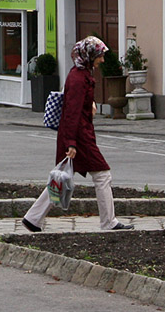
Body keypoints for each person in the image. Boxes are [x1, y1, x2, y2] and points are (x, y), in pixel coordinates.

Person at [22, 36, 133, 232]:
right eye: (100, 56)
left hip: (77, 135)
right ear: (89, 55)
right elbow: (71, 113)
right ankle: (109, 222)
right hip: (80, 137)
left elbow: (73, 106)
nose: (102, 60)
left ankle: (33, 218)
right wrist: (71, 143)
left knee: (63, 175)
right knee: (102, 175)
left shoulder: (79, 74)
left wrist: (88, 105)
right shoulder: (79, 78)